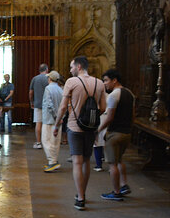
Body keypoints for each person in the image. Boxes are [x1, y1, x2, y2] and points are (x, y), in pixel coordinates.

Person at [54, 56, 106, 210]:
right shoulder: (99, 83)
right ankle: (82, 193)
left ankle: (80, 197)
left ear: (78, 67)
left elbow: (63, 107)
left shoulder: (71, 82)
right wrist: (90, 116)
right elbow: (102, 108)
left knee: (76, 161)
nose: (70, 70)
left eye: (71, 67)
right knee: (86, 161)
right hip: (90, 127)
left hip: (74, 126)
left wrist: (57, 125)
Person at [97, 69, 135, 201]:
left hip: (115, 134)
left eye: (106, 80)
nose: (105, 83)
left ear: (115, 80)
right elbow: (133, 115)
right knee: (119, 161)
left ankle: (116, 192)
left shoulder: (114, 95)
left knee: (112, 164)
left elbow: (110, 117)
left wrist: (99, 130)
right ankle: (124, 185)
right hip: (126, 133)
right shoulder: (130, 93)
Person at [41, 71, 63, 172]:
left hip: (50, 119)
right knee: (55, 141)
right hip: (58, 120)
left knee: (46, 140)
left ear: (50, 79)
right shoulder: (60, 89)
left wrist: (55, 116)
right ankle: (54, 160)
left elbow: (49, 105)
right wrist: (60, 117)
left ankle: (52, 162)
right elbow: (64, 105)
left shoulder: (48, 88)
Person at [29, 63, 49, 149]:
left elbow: (30, 93)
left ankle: (38, 143)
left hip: (37, 104)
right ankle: (47, 143)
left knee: (38, 123)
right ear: (47, 69)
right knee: (47, 124)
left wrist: (31, 102)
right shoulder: (49, 78)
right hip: (48, 104)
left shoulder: (35, 79)